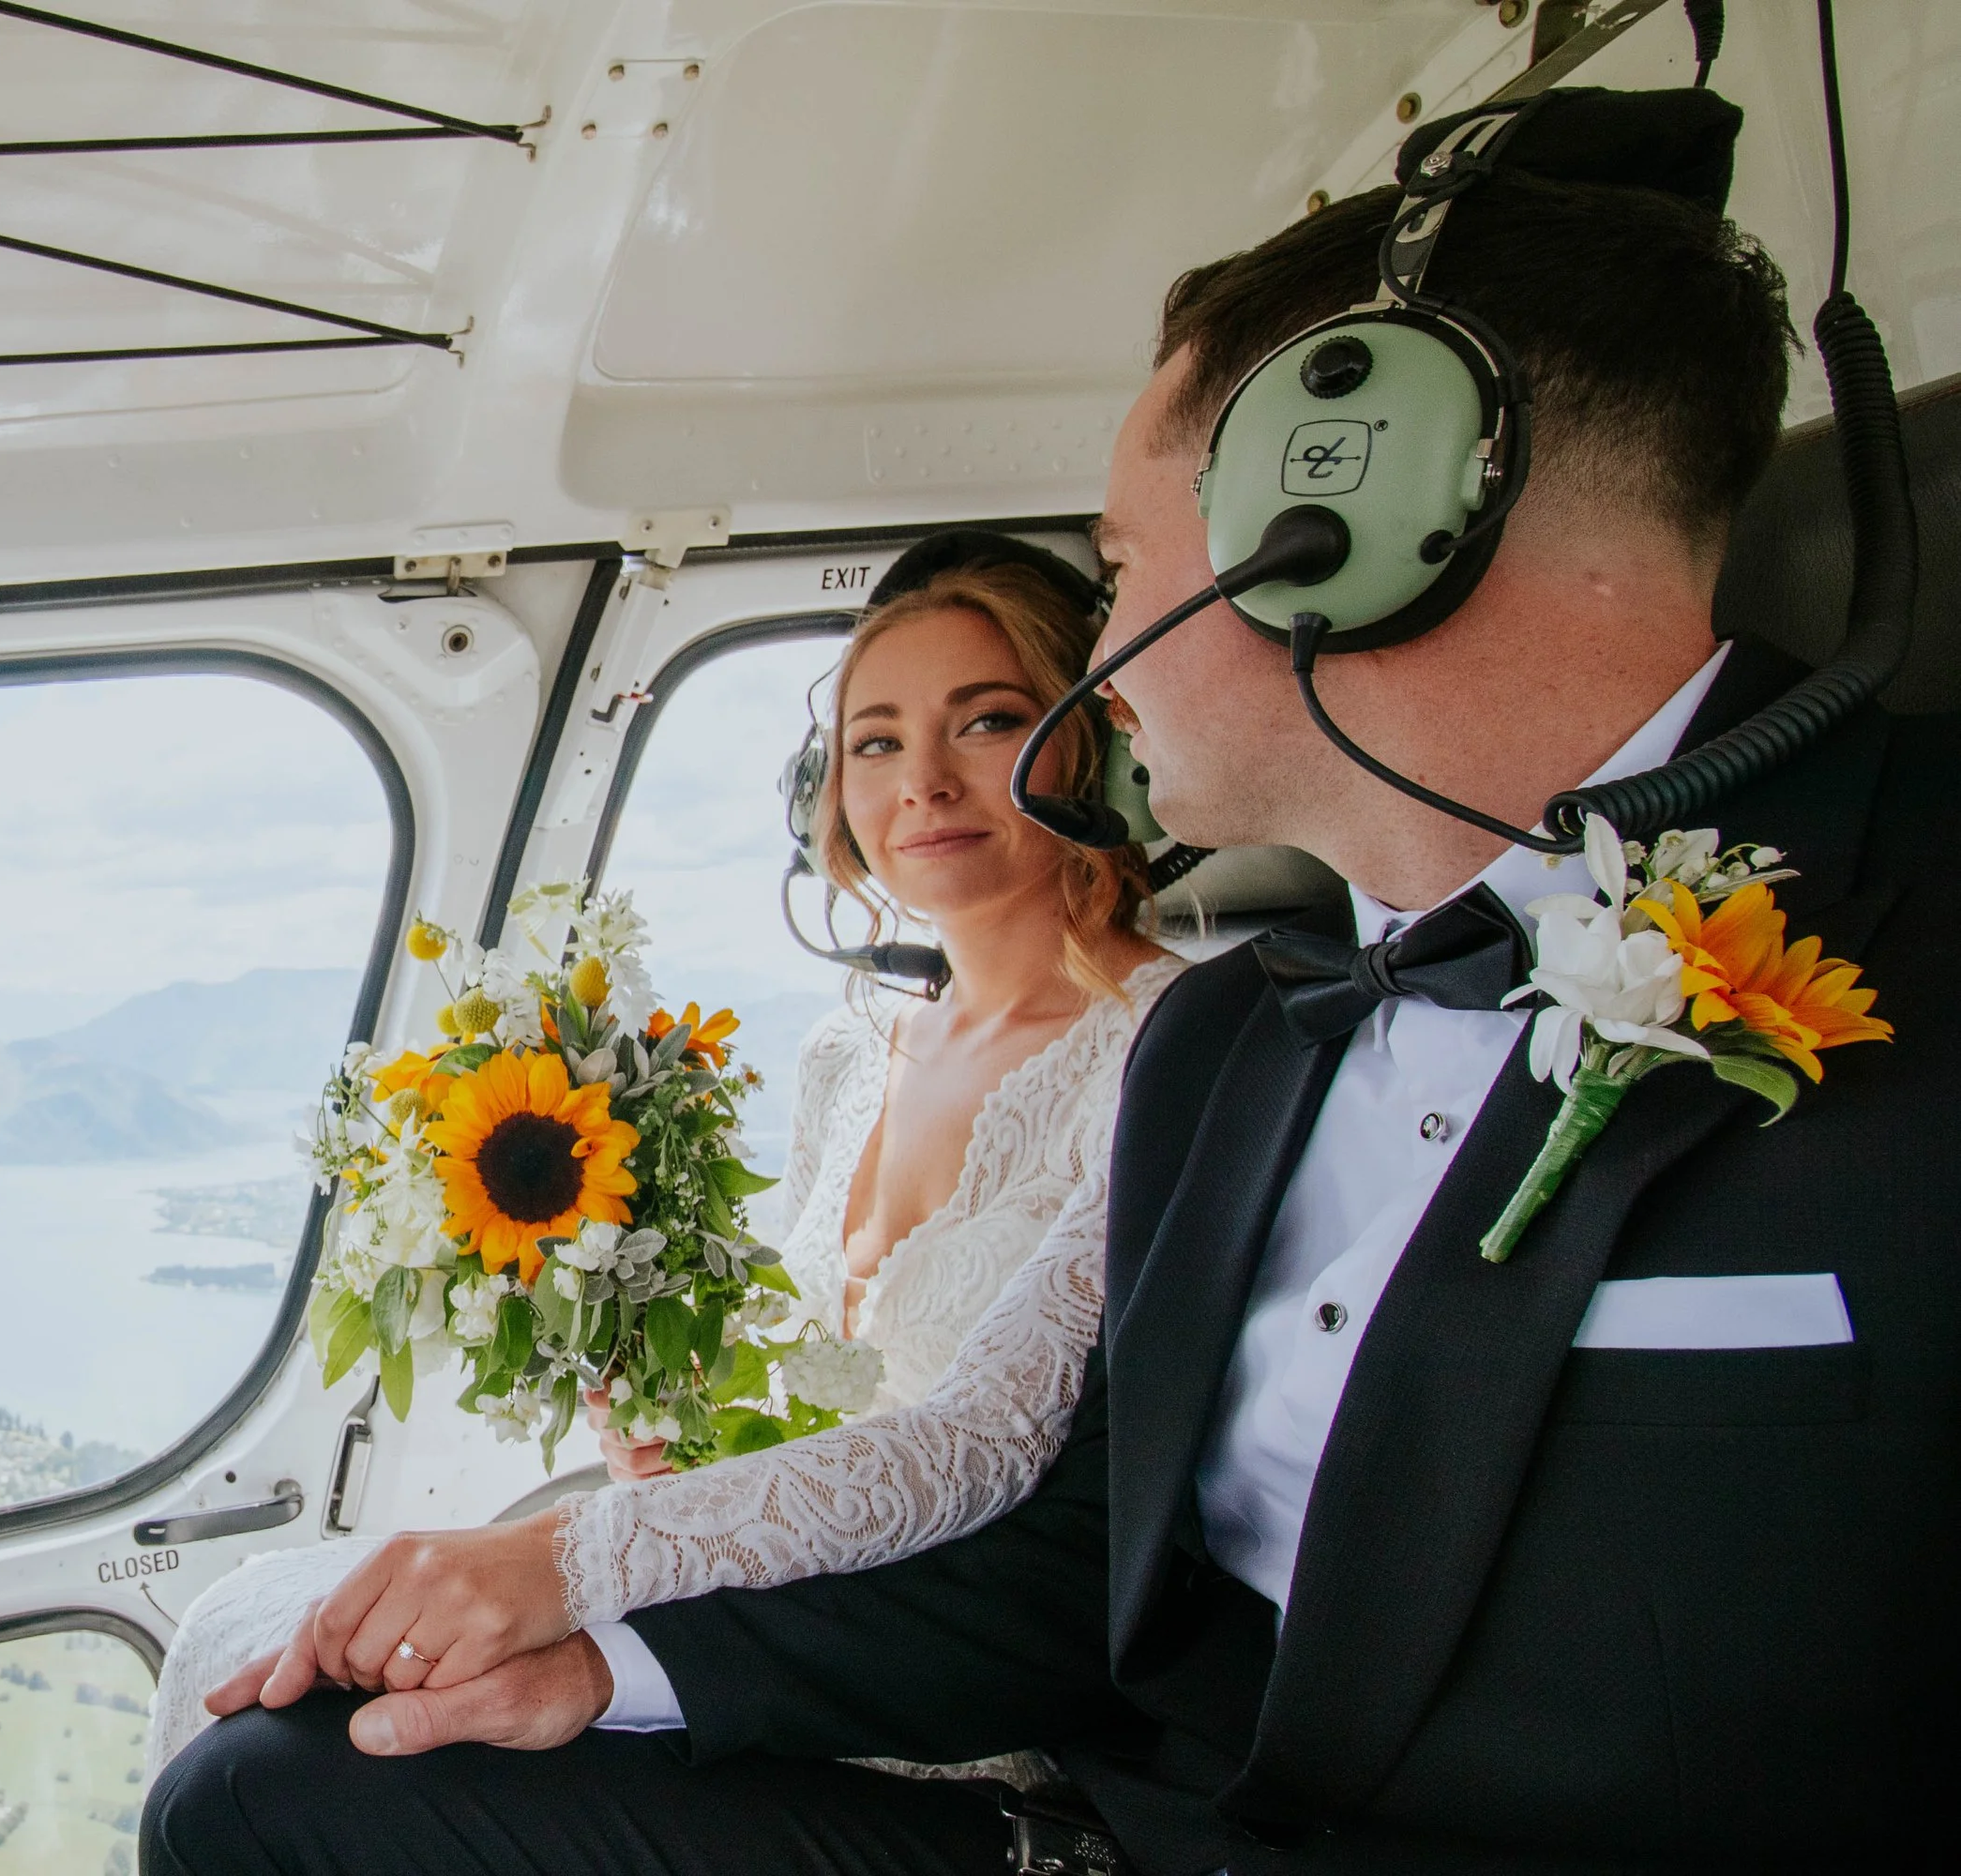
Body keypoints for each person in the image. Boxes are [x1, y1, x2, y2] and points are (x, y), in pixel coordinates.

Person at [143, 93, 1961, 1873]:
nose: (1109, 664)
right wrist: (605, 1662)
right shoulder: (1242, 1049)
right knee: (268, 1788)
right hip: (1120, 1821)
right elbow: (1078, 1569)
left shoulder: (1908, 933)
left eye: (1114, 574)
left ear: (1343, 529)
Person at [143, 542, 1180, 1778]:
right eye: (879, 742)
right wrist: (678, 1446)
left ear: (1097, 750)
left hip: (924, 1670)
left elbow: (978, 1442)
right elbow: (800, 1399)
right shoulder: (851, 1053)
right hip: (775, 1590)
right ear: (825, 793)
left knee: (293, 1765)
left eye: (991, 722)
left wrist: (575, 1553)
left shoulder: (1169, 1051)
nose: (925, 785)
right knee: (241, 1626)